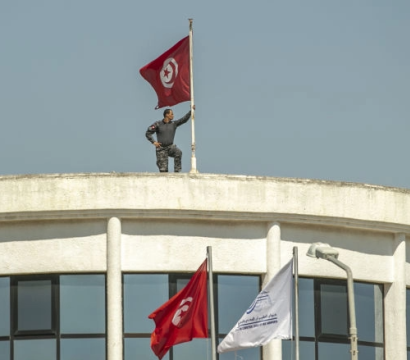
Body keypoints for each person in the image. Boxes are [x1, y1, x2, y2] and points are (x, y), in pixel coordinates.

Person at [145, 106, 194, 172]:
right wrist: (154, 142)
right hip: (161, 149)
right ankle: (161, 164)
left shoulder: (174, 124)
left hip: (170, 147)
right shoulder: (158, 124)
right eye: (172, 114)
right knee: (163, 171)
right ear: (167, 115)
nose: (173, 115)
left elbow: (184, 120)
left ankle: (177, 172)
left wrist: (191, 111)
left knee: (178, 152)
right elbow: (148, 133)